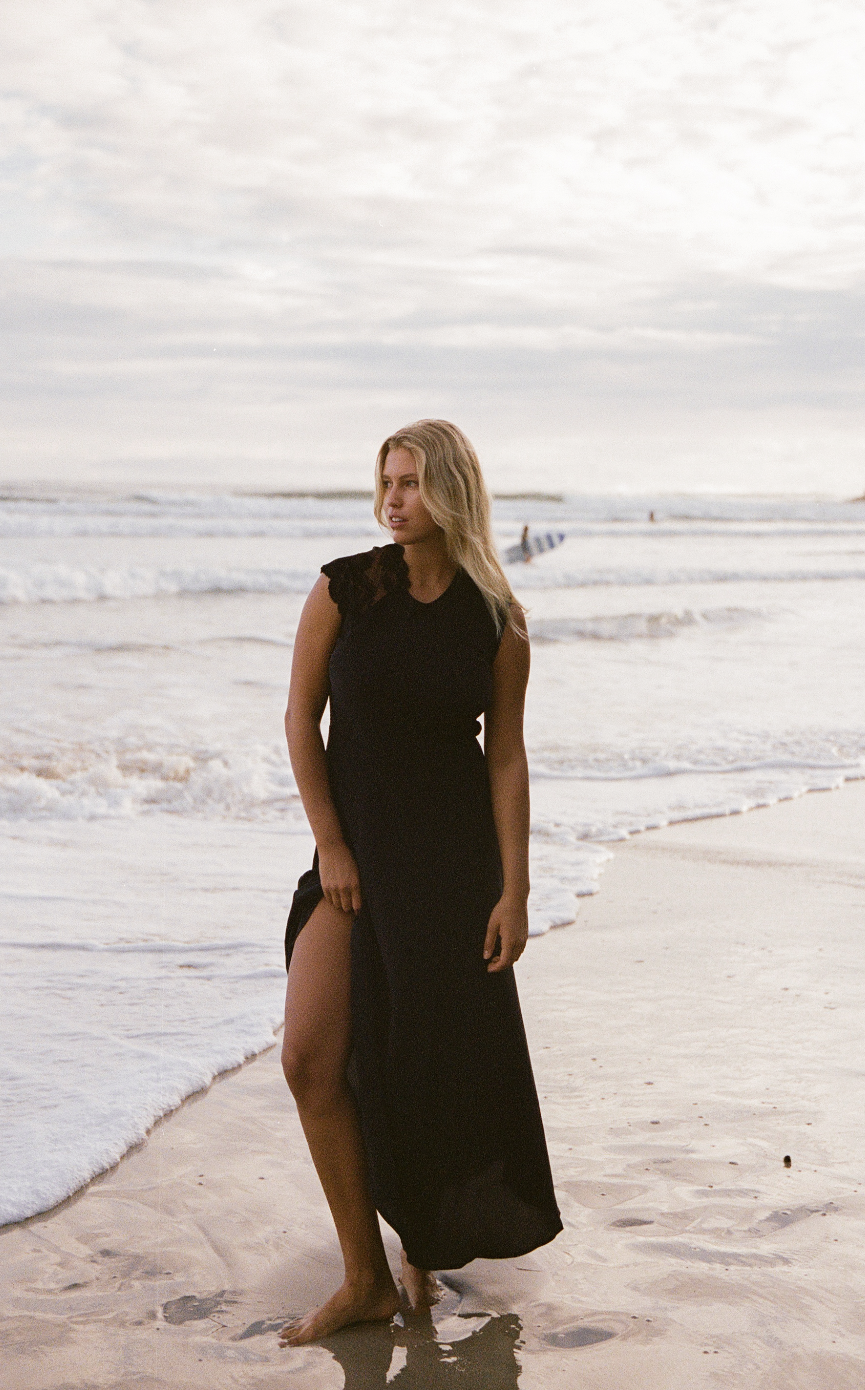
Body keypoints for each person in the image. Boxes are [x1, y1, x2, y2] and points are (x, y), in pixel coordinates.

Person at [279, 419, 562, 1347]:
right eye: (386, 483)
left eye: (411, 483)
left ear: (451, 492)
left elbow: (506, 761)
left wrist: (514, 891)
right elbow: (299, 719)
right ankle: (364, 1276)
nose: (394, 500)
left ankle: (416, 1254)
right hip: (354, 862)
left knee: (422, 1068)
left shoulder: (496, 619)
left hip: (450, 870)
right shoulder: (347, 588)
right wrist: (331, 846)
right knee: (311, 1057)